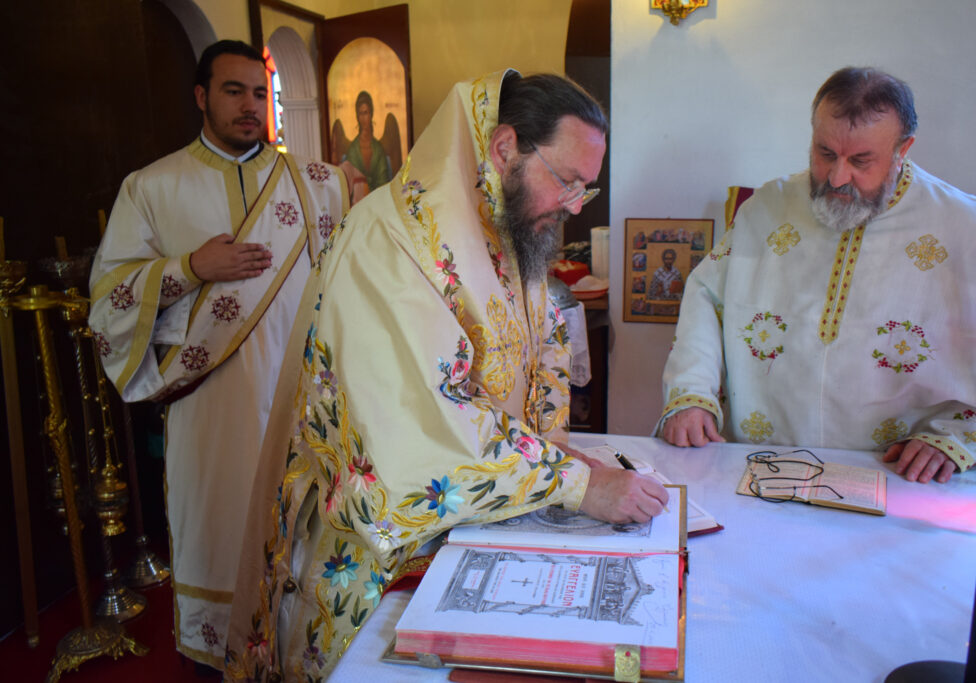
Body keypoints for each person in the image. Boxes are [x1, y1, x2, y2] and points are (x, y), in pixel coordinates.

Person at [222, 69, 668, 681]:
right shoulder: (390, 240)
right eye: (566, 181)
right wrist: (574, 485)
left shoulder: (508, 231)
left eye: (584, 191)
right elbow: (419, 414)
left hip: (484, 519)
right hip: (380, 552)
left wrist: (557, 455)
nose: (572, 205)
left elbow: (541, 357)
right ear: (505, 147)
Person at [88, 40, 349, 670]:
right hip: (212, 405)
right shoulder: (152, 187)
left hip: (301, 399)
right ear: (202, 96)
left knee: (304, 543)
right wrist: (190, 268)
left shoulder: (318, 185)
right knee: (218, 527)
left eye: (260, 93)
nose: (250, 105)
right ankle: (220, 657)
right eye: (234, 91)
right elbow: (108, 302)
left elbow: (346, 288)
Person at [658, 66, 976, 485]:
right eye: (825, 153)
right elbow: (706, 298)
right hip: (760, 465)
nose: (838, 177)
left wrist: (955, 437)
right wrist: (691, 395)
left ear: (903, 149)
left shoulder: (964, 227)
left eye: (861, 160)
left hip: (898, 476)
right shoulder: (766, 209)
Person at [341, 90, 392, 191]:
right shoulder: (353, 150)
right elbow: (350, 182)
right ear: (357, 116)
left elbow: (383, 182)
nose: (363, 118)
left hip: (378, 197)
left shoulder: (378, 149)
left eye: (366, 113)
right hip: (358, 199)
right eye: (360, 113)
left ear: (371, 114)